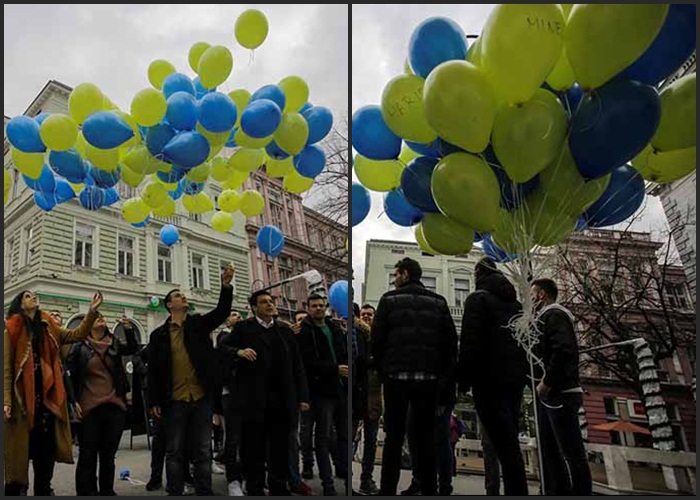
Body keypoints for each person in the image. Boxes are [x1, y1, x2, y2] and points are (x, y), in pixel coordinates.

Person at [4, 289, 104, 496]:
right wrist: (6, 399)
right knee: (18, 463)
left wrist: (91, 312)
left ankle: (44, 489)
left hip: (47, 404)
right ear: (20, 304)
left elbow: (77, 335)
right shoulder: (11, 329)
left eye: (34, 295)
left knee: (45, 460)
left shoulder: (48, 325)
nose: (33, 297)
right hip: (21, 403)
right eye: (28, 296)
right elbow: (6, 370)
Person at [372, 257, 458, 496]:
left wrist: (384, 371)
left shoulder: (388, 300)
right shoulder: (439, 302)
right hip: (428, 382)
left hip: (396, 380)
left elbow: (377, 341)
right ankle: (429, 489)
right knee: (425, 439)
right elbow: (450, 346)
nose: (395, 279)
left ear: (406, 274)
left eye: (397, 274)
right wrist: (443, 380)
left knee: (394, 438)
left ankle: (387, 489)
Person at [147, 264, 235, 496]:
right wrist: (154, 401)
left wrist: (226, 285)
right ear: (169, 305)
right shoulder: (158, 336)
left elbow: (221, 312)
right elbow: (154, 371)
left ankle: (204, 491)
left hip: (201, 397)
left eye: (182, 294)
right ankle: (175, 491)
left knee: (203, 450)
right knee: (174, 451)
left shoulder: (197, 324)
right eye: (177, 295)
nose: (182, 296)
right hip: (174, 400)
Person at [219, 290, 310, 496]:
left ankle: (279, 487)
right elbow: (223, 348)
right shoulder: (243, 328)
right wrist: (238, 352)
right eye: (264, 302)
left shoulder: (284, 330)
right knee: (254, 449)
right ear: (254, 308)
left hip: (281, 400)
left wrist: (303, 396)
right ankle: (255, 487)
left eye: (271, 301)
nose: (270, 305)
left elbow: (297, 365)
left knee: (279, 449)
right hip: (254, 401)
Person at [458, 257, 529, 496]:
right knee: (509, 442)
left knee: (502, 442)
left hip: (488, 381)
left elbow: (469, 342)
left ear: (478, 273)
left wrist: (463, 380)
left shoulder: (477, 300)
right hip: (515, 381)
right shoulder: (516, 305)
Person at [531, 278, 592, 496]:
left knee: (571, 452)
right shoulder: (545, 317)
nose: (530, 299)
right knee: (551, 451)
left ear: (541, 295)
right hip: (552, 394)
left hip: (560, 393)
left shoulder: (555, 315)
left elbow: (563, 350)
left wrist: (547, 382)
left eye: (532, 294)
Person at [68, 314, 138, 495]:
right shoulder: (79, 346)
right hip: (89, 408)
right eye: (96, 317)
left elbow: (131, 348)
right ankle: (86, 491)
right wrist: (73, 401)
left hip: (114, 406)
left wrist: (129, 329)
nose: (100, 318)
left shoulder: (113, 342)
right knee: (87, 455)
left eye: (101, 317)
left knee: (108, 456)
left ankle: (107, 491)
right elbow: (72, 376)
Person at [297, 294, 349, 496]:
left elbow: (344, 353)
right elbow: (306, 364)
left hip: (340, 390)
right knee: (323, 438)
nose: (318, 308)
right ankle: (328, 485)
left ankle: (345, 479)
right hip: (320, 392)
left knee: (344, 437)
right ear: (308, 308)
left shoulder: (335, 328)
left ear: (326, 307)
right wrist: (334, 369)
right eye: (314, 306)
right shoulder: (305, 332)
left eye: (321, 305)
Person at [358, 304, 382, 496]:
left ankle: (367, 478)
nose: (366, 317)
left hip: (374, 396)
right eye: (363, 314)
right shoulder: (355, 336)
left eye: (369, 314)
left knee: (371, 440)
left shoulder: (380, 337)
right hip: (357, 394)